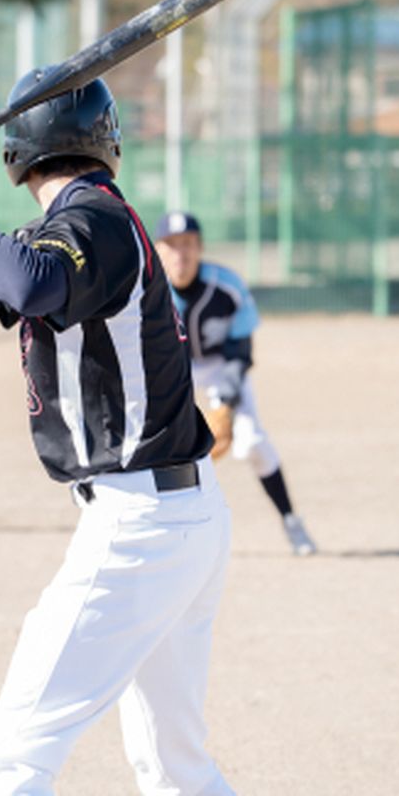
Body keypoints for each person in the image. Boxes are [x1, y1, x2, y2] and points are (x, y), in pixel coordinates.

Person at [0, 70, 234, 795]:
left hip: (139, 525)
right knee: (174, 766)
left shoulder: (93, 222)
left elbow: (28, 284)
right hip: (174, 516)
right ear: (106, 138)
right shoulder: (79, 226)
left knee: (13, 759)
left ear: (16, 154)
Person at [154, 211, 317, 556]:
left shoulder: (226, 286)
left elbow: (240, 352)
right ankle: (165, 536)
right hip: (170, 371)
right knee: (160, 453)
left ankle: (291, 520)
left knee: (254, 441)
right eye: (172, 245)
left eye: (188, 245)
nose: (181, 254)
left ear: (200, 248)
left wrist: (224, 402)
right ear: (158, 249)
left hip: (218, 368)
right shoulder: (148, 291)